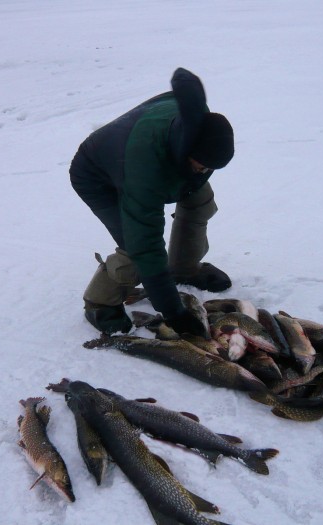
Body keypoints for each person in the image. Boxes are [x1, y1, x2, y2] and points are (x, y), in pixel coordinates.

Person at [69, 67, 234, 337]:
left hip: (153, 156)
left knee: (200, 200)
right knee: (135, 248)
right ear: (187, 148)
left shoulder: (198, 125)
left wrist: (195, 170)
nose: (204, 171)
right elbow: (146, 245)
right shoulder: (145, 169)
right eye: (201, 165)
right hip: (97, 175)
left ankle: (184, 268)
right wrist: (174, 312)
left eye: (209, 168)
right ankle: (100, 302)